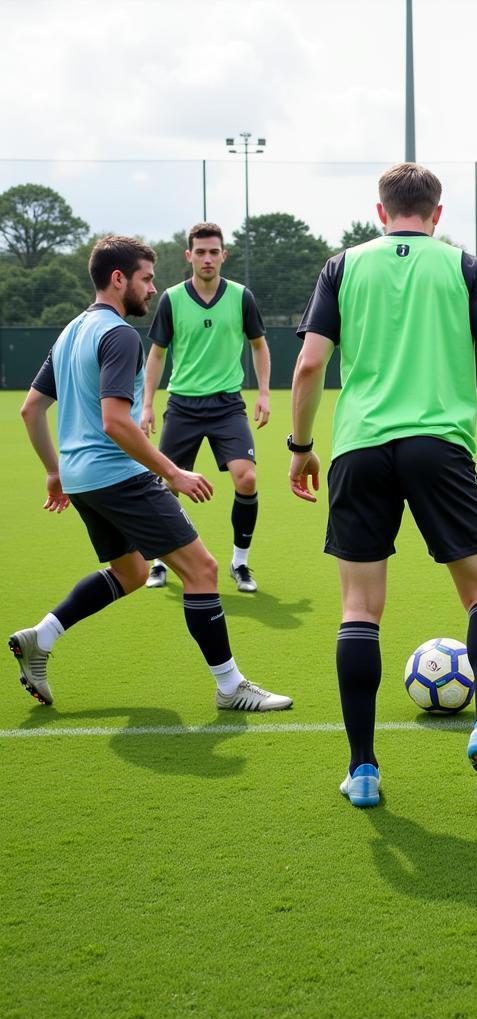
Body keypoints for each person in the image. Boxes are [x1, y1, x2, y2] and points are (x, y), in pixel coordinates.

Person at [289, 162, 477, 809]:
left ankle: (362, 770)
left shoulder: (343, 266)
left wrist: (301, 447)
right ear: (437, 214)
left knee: (359, 610)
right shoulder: (462, 266)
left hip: (358, 448)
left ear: (379, 212)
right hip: (440, 447)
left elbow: (307, 365)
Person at [9, 235, 291, 713]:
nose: (152, 288)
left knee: (132, 571)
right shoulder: (118, 334)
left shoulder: (70, 331)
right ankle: (230, 687)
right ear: (118, 279)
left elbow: (31, 410)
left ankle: (43, 636)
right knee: (202, 569)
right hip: (117, 477)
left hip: (81, 481)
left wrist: (55, 471)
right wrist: (173, 473)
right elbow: (116, 421)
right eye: (145, 279)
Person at [140, 222, 271, 593]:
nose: (208, 258)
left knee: (246, 478)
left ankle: (240, 563)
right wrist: (148, 404)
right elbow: (157, 354)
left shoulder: (242, 296)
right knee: (165, 483)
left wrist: (263, 392)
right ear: (189, 256)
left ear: (224, 255)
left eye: (214, 252)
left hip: (228, 405)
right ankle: (159, 560)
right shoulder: (171, 298)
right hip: (183, 405)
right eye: (200, 252)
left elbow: (259, 346)